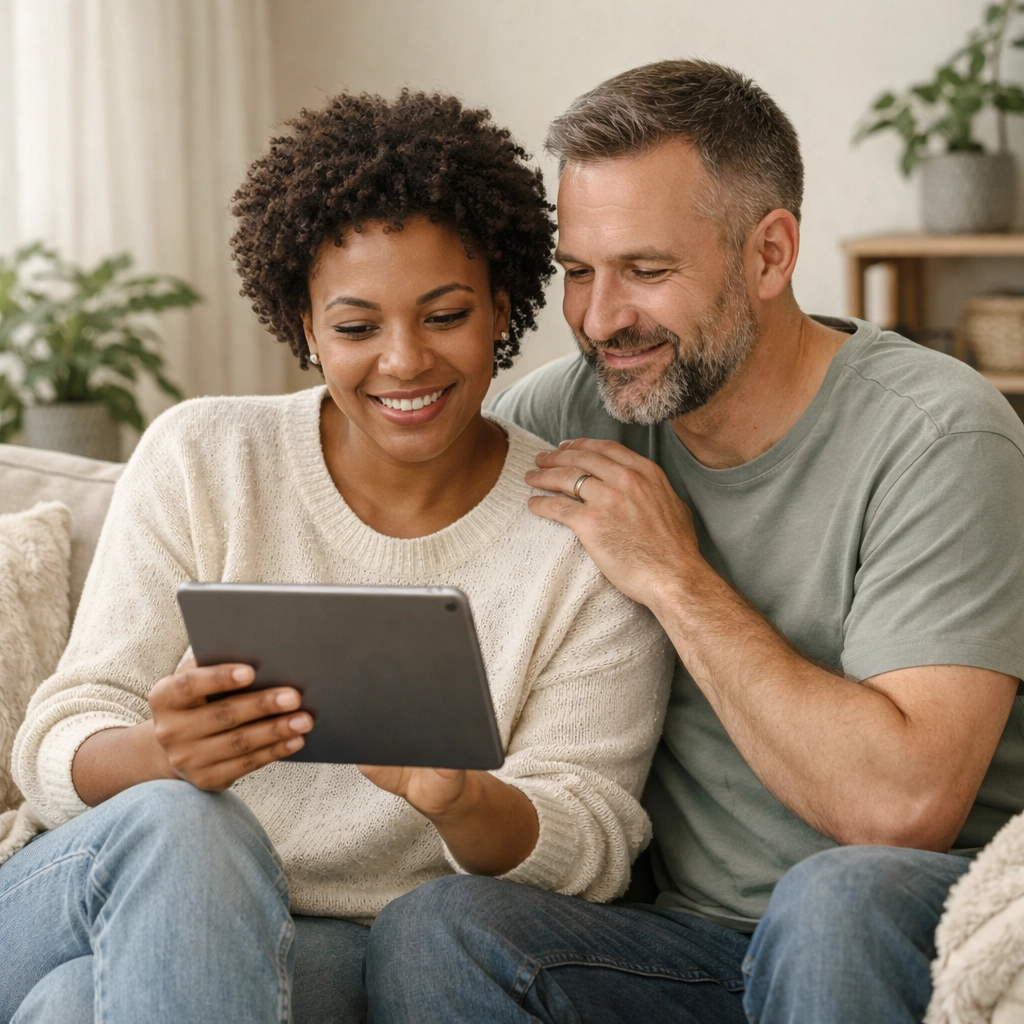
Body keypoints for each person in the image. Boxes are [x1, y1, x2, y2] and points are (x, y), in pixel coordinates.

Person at [365, 60, 1024, 1023]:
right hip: (687, 942)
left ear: (769, 254)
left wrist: (672, 574)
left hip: (898, 916)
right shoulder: (565, 413)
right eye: (579, 274)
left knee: (832, 896)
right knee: (440, 926)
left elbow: (901, 812)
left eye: (647, 271)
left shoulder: (938, 437)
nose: (600, 320)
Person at [0, 91, 672, 1024]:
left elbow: (591, 834)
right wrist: (163, 754)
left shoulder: (577, 529)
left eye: (444, 316)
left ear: (502, 311)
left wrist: (463, 800)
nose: (404, 362)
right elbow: (54, 739)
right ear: (307, 330)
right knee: (182, 820)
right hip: (79, 887)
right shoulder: (205, 456)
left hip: (329, 947)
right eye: (356, 328)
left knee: (78, 1010)